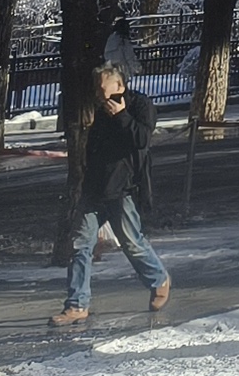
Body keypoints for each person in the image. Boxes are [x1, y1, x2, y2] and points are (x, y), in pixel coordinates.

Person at [50, 62, 172, 328]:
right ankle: (77, 304)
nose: (101, 95)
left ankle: (158, 278)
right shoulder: (99, 110)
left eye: (104, 89)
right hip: (95, 188)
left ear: (120, 85)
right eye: (97, 90)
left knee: (131, 242)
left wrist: (122, 116)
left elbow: (141, 140)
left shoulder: (139, 105)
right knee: (80, 244)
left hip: (123, 188)